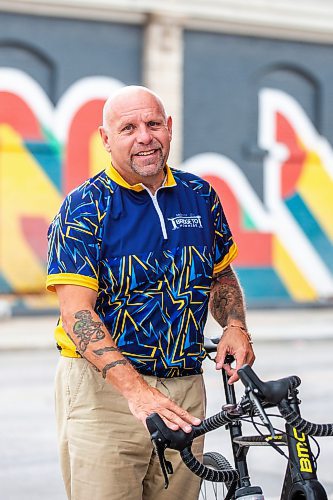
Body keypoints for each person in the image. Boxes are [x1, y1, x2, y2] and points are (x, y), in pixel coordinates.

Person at [46, 85, 255, 500]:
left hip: (185, 390)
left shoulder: (200, 196)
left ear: (169, 128)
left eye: (153, 124)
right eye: (128, 128)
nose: (144, 136)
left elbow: (220, 275)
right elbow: (77, 315)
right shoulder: (84, 207)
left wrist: (235, 325)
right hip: (106, 394)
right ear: (106, 139)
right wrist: (137, 393)